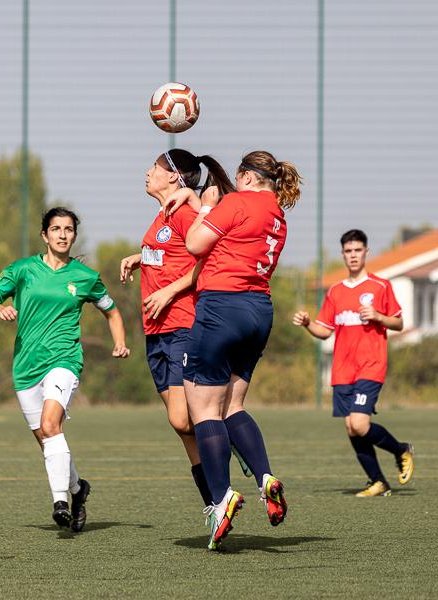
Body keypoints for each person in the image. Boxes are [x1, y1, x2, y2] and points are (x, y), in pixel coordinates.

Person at [166, 150, 301, 550]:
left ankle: (222, 497)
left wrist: (205, 204)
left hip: (221, 307)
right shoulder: (277, 212)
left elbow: (194, 244)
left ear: (244, 176)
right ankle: (265, 478)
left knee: (203, 409)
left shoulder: (234, 202)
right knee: (233, 407)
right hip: (258, 312)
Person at [0, 207, 130, 530]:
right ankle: (78, 488)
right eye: (56, 229)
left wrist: (120, 342)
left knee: (51, 424)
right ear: (44, 235)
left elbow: (112, 312)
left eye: (69, 229)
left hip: (64, 360)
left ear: (74, 235)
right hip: (25, 367)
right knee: (49, 439)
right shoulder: (22, 270)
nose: (63, 235)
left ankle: (60, 500)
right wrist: (0, 309)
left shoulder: (85, 277)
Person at [119, 149, 236, 507]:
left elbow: (207, 262)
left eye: (153, 167)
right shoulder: (162, 216)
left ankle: (233, 449)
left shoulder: (187, 213)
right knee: (182, 426)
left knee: (182, 417)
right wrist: (142, 258)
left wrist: (169, 290)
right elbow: (170, 255)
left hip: (183, 325)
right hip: (155, 331)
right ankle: (216, 506)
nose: (147, 173)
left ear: (173, 176)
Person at [293, 229, 414, 497]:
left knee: (359, 424)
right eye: (348, 251)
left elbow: (399, 322)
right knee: (351, 427)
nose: (353, 256)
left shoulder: (380, 286)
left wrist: (379, 316)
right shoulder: (335, 291)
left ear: (366, 252)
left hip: (371, 364)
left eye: (358, 250)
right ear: (343, 255)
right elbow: (324, 330)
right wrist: (307, 324)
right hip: (342, 369)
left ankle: (401, 449)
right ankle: (378, 481)